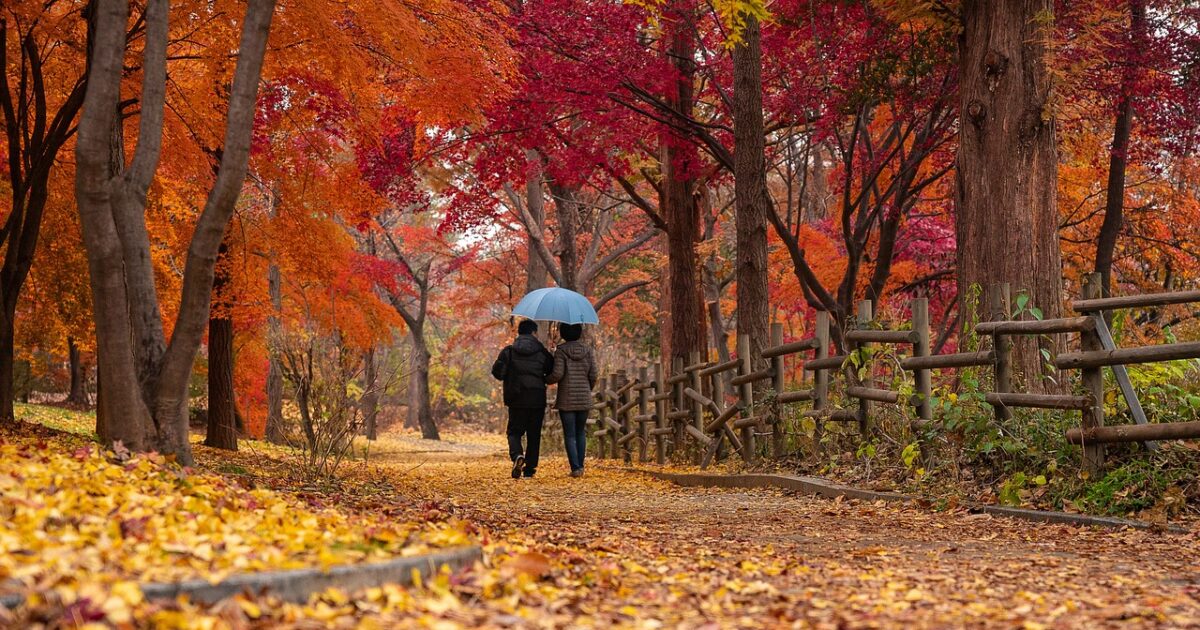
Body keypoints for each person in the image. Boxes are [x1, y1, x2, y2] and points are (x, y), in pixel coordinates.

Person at [491, 319, 554, 479]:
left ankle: (517, 455)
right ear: (533, 333)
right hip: (536, 398)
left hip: (516, 397)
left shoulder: (509, 352)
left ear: (519, 333)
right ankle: (530, 469)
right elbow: (551, 370)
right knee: (534, 434)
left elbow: (498, 373)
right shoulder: (542, 352)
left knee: (514, 432)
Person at [547, 322, 597, 477]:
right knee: (580, 432)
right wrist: (588, 389)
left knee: (569, 434)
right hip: (584, 398)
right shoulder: (588, 350)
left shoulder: (561, 351)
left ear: (563, 333)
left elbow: (557, 375)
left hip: (566, 399)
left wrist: (545, 378)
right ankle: (580, 466)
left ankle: (575, 468)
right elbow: (593, 374)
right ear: (579, 333)